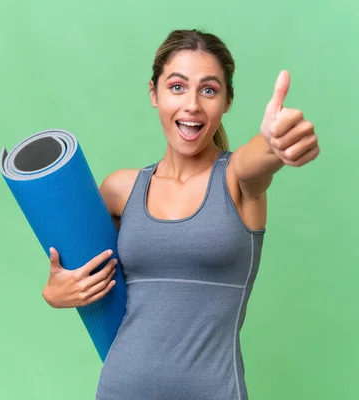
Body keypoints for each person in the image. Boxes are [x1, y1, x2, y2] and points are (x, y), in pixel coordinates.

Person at [42, 29, 320, 399]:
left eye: (209, 90)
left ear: (227, 102)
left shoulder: (238, 180)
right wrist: (54, 292)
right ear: (154, 93)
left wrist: (274, 142)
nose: (192, 104)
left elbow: (258, 160)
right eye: (177, 87)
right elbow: (76, 272)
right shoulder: (120, 190)